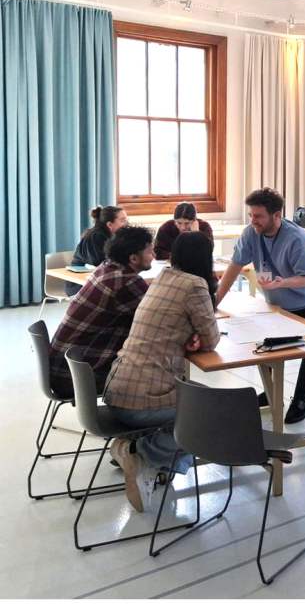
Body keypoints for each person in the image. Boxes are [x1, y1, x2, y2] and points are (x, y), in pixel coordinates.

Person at [103, 232, 221, 512]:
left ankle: (152, 466)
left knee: (198, 396)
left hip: (118, 389)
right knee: (211, 410)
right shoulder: (195, 284)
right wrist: (199, 336)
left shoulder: (162, 277)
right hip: (141, 403)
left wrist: (190, 335)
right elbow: (212, 339)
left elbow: (178, 326)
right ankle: (140, 455)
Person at [214, 187, 305, 424]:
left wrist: (282, 283)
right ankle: (271, 392)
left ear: (277, 215)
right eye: (251, 215)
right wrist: (215, 301)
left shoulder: (298, 239)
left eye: (258, 216)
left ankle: (301, 400)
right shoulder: (251, 233)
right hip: (279, 298)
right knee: (269, 344)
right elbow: (235, 266)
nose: (253, 221)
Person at [49, 225, 154, 398]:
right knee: (162, 375)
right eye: (150, 252)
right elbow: (159, 319)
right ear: (134, 258)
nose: (154, 255)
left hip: (63, 369)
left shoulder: (106, 267)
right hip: (77, 378)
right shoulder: (126, 282)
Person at [65, 206, 128, 296]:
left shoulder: (117, 237)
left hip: (101, 279)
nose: (127, 223)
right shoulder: (95, 237)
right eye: (123, 220)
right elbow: (100, 263)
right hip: (78, 283)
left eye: (127, 219)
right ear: (110, 225)